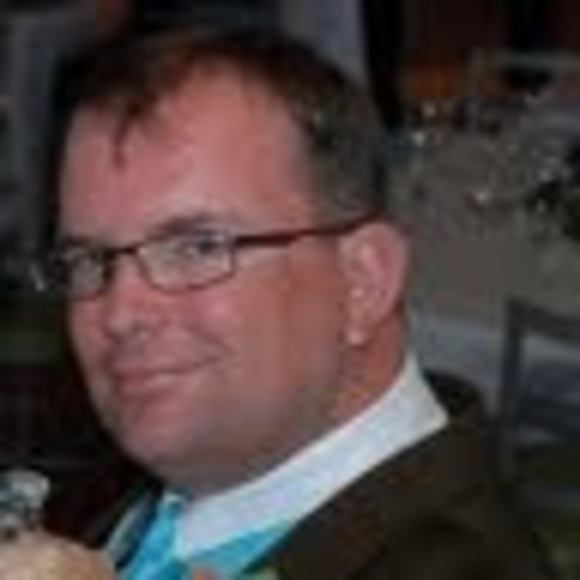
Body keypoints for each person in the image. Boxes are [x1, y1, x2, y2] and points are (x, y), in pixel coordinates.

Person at [44, 25, 555, 579]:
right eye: (89, 259)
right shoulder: (206, 484)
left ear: (363, 281)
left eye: (197, 247)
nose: (120, 314)